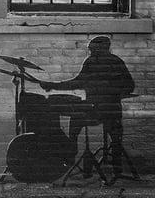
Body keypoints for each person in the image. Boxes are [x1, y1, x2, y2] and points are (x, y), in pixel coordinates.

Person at [39, 36, 134, 178]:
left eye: (92, 49)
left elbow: (76, 83)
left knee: (76, 120)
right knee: (115, 139)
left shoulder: (92, 62)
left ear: (101, 48)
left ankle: (71, 155)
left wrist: (53, 86)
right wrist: (115, 93)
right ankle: (117, 171)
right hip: (111, 110)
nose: (90, 52)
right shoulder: (116, 61)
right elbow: (130, 86)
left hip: (98, 110)